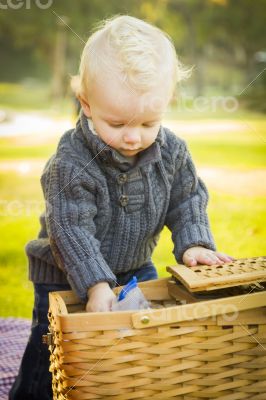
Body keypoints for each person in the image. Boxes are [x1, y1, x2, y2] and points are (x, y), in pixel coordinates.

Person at [9, 15, 233, 400]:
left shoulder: (172, 152)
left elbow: (187, 199)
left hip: (134, 268)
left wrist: (195, 243)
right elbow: (71, 230)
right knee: (53, 350)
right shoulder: (70, 163)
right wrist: (96, 285)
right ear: (87, 104)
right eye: (117, 123)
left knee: (133, 344)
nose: (132, 137)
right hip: (64, 274)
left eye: (148, 122)